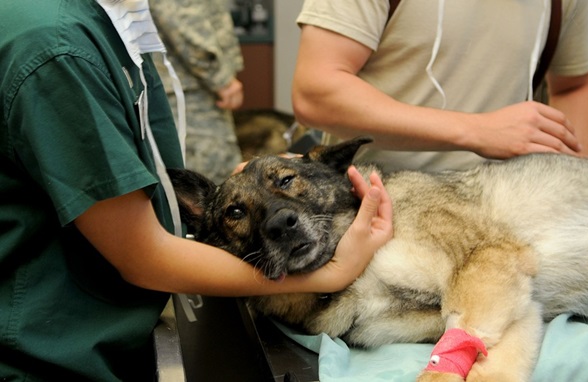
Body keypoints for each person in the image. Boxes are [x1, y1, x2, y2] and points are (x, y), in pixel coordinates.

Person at [0, 1, 393, 381]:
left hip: (104, 334)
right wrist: (332, 274)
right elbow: (142, 255)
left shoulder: (112, 19)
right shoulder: (57, 49)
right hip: (49, 354)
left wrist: (261, 185)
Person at [292, 0, 588, 173]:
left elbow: (577, 84)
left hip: (508, 212)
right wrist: (477, 130)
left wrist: (568, 182)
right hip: (378, 211)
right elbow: (316, 91)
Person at [150, 0, 245, 184]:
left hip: (190, 87)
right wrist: (221, 79)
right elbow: (182, 18)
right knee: (208, 184)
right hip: (189, 92)